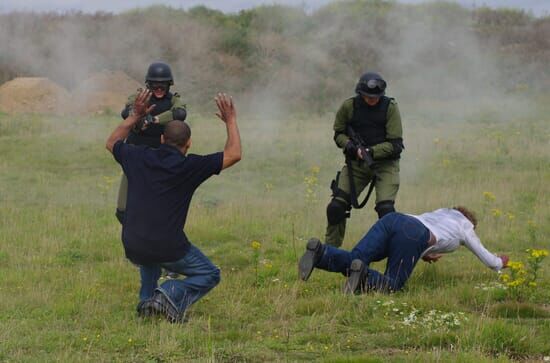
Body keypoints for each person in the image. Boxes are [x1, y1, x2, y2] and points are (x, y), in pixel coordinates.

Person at [106, 89, 241, 322]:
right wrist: (231, 120)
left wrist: (134, 116)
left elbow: (112, 142)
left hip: (133, 241)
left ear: (161, 139)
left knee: (149, 256)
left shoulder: (139, 157)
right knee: (210, 274)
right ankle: (168, 294)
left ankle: (147, 303)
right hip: (167, 245)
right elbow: (234, 154)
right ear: (188, 143)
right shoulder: (190, 166)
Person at [299, 207, 509, 294]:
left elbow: (416, 230)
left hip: (394, 219)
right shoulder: (466, 226)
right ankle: (364, 276)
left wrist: (423, 252)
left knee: (357, 257)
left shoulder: (443, 212)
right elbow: (484, 256)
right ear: (470, 221)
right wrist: (500, 262)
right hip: (414, 233)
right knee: (393, 284)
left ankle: (320, 253)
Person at [325, 72, 404, 247]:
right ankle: (330, 252)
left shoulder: (390, 107)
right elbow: (338, 134)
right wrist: (350, 146)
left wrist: (370, 151)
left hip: (385, 165)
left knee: (386, 211)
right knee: (336, 207)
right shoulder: (349, 106)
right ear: (360, 93)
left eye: (375, 97)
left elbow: (396, 145)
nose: (371, 100)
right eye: (368, 96)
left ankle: (394, 251)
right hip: (357, 165)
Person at [115, 61, 188, 224]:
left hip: (161, 154)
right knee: (122, 210)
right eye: (155, 84)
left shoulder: (174, 100)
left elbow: (180, 113)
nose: (159, 88)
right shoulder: (140, 97)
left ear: (169, 85)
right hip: (136, 151)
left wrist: (154, 119)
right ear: (149, 84)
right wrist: (139, 118)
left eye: (163, 85)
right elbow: (126, 111)